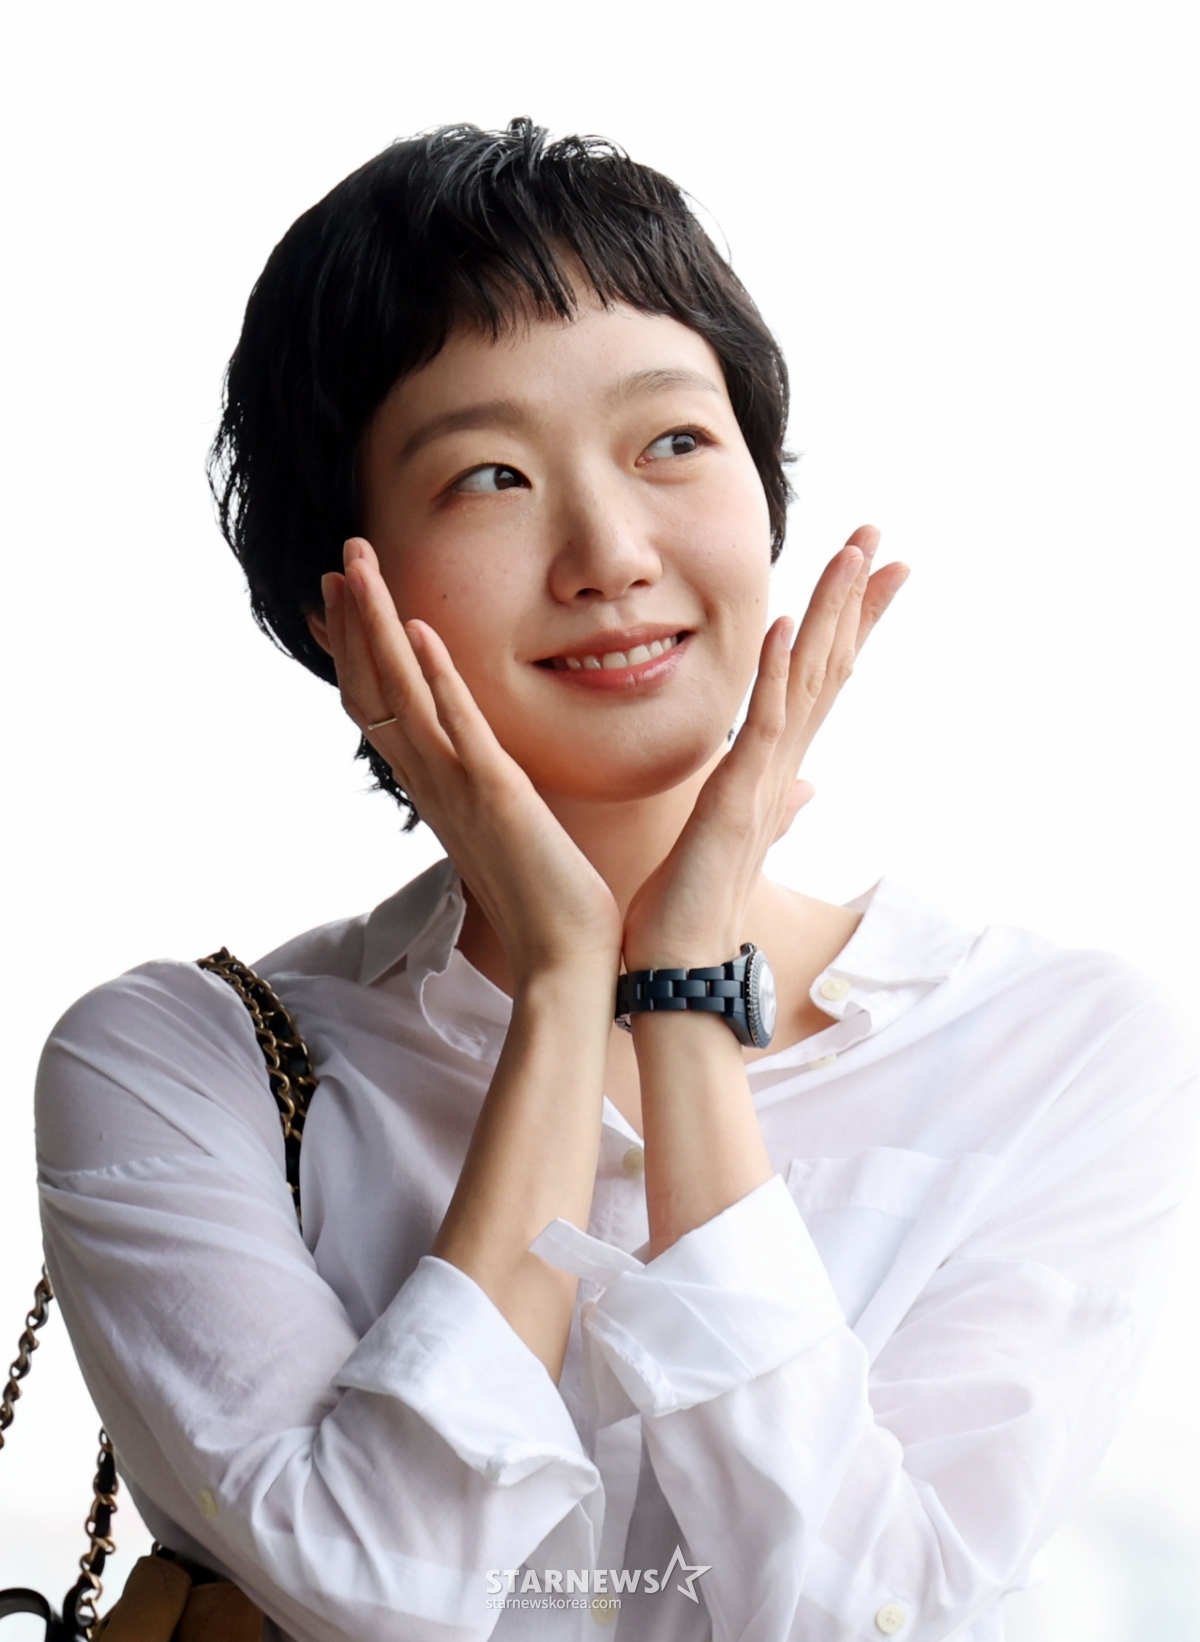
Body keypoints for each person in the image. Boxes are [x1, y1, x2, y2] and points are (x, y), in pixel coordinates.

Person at [35, 118, 1196, 1642]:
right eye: (490, 476)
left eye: (673, 444)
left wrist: (681, 996)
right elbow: (386, 1590)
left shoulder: (1049, 1043)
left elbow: (861, 1621)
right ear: (338, 606)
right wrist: (569, 984)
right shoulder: (178, 1064)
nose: (609, 552)